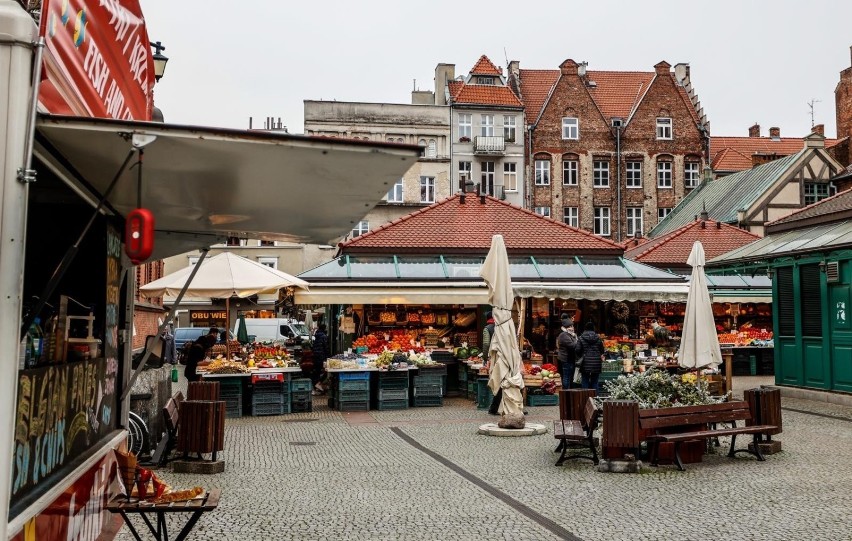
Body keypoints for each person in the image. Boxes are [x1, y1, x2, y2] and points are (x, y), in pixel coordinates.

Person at [574, 320, 604, 392]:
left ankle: (585, 399)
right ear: (593, 329)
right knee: (595, 382)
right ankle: (595, 399)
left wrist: (580, 356)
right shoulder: (598, 338)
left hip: (585, 362)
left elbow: (577, 350)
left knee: (585, 381)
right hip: (596, 362)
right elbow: (602, 350)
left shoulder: (581, 338)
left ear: (585, 329)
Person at [556, 314, 578, 389]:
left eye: (572, 326)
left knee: (569, 376)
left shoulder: (570, 335)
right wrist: (577, 340)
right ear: (566, 328)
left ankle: (569, 391)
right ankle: (565, 392)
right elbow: (572, 345)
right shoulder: (564, 335)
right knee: (566, 377)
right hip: (566, 359)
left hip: (570, 359)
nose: (572, 328)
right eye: (570, 326)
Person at [311, 323, 329, 388]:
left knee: (317, 370)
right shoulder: (323, 336)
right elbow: (325, 347)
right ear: (324, 328)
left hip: (315, 355)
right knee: (325, 370)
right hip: (321, 355)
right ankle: (318, 383)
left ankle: (315, 384)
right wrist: (327, 356)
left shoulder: (317, 335)